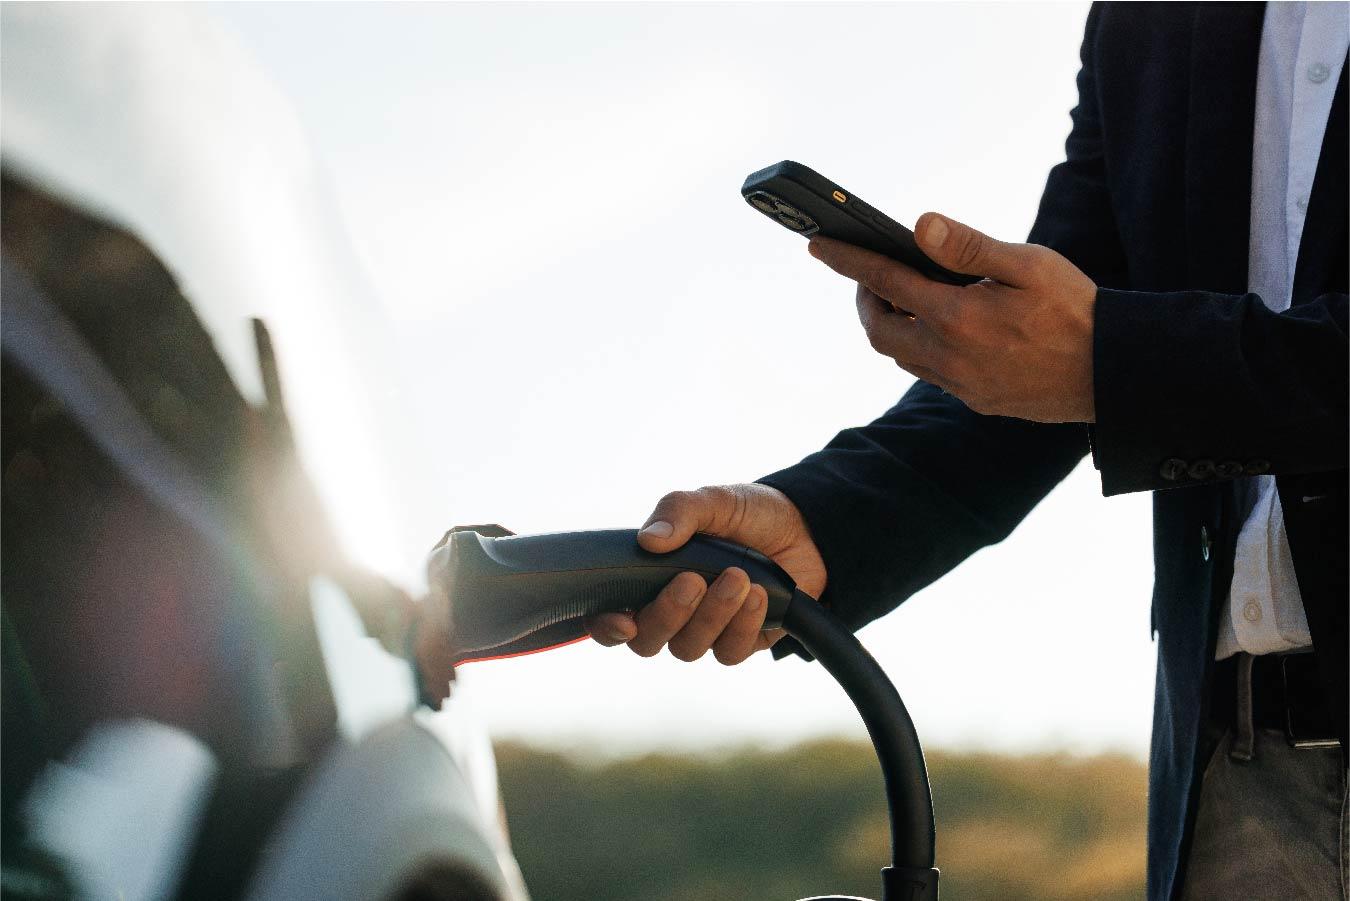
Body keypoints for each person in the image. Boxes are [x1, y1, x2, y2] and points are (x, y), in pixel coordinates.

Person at [587, 5, 1348, 899]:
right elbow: (1056, 356)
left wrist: (1115, 357)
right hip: (1234, 785)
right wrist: (814, 526)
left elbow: (1108, 353)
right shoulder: (1146, 22)